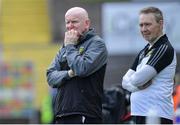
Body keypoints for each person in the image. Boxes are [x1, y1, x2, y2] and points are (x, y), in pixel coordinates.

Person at [46, 7, 108, 124]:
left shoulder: (97, 44)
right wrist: (69, 73)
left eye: (74, 22)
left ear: (87, 23)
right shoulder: (65, 46)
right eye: (67, 22)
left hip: (85, 113)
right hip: (62, 112)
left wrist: (70, 46)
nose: (70, 26)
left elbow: (81, 69)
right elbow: (50, 77)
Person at [122, 7, 177, 124]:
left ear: (160, 24)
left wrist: (134, 83)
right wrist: (136, 86)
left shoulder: (164, 48)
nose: (143, 29)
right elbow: (124, 82)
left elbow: (137, 79)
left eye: (147, 24)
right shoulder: (144, 50)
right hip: (139, 113)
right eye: (141, 25)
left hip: (156, 115)